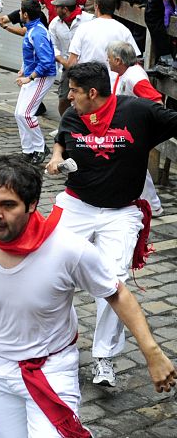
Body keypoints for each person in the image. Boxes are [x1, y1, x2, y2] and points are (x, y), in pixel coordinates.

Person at [0, 154, 177, 438]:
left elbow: (117, 294)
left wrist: (152, 353)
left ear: (31, 206)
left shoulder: (68, 249)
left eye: (8, 205)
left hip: (51, 370)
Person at [45, 62, 177, 388]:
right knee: (46, 266)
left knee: (113, 281)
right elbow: (62, 138)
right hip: (76, 204)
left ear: (93, 92)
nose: (69, 96)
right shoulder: (74, 114)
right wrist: (56, 157)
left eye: (74, 90)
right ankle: (50, 343)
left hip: (121, 211)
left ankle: (103, 357)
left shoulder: (139, 112)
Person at [106, 41, 164, 216]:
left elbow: (156, 103)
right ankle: (150, 204)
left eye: (109, 58)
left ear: (118, 60)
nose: (107, 61)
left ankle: (153, 205)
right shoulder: (124, 72)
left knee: (135, 165)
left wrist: (140, 123)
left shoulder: (135, 77)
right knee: (132, 165)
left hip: (132, 130)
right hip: (125, 127)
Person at [13, 0, 57, 165]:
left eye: (20, 11)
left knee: (26, 113)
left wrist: (29, 77)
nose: (19, 13)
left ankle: (40, 148)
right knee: (19, 113)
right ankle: (28, 150)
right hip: (33, 75)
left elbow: (46, 62)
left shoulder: (37, 32)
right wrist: (25, 69)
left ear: (25, 14)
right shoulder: (32, 29)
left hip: (41, 77)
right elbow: (32, 54)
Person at [48, 0, 94, 116]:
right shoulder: (55, 23)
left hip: (86, 67)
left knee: (88, 98)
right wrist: (63, 61)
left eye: (56, 7)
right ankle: (65, 124)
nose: (54, 9)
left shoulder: (89, 19)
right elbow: (52, 45)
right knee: (64, 97)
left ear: (65, 9)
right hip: (67, 67)